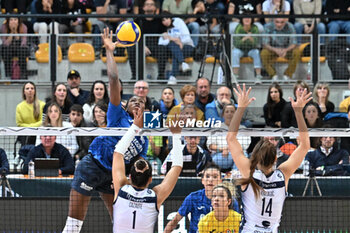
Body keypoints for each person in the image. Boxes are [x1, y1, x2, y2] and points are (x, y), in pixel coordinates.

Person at [62, 28, 149, 233]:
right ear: (126, 106)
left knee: (120, 222)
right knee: (74, 225)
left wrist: (129, 182)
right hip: (93, 165)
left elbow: (136, 165)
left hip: (114, 176)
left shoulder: (143, 139)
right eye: (133, 100)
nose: (137, 102)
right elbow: (112, 81)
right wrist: (110, 51)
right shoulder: (117, 115)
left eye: (141, 101)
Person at [226, 84, 312, 232]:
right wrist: (298, 111)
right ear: (275, 160)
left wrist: (240, 107)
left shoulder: (249, 173)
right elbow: (305, 146)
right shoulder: (282, 175)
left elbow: (230, 138)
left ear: (255, 157)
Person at [112, 107, 183, 233]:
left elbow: (117, 154)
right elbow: (176, 168)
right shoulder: (154, 197)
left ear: (129, 177)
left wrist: (135, 127)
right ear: (150, 179)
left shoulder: (122, 190)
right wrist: (176, 136)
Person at [164, 164, 240, 233]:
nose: (210, 180)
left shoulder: (229, 200)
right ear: (202, 180)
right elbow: (175, 220)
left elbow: (237, 224)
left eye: (215, 177)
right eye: (207, 176)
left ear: (220, 181)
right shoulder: (193, 198)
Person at [127, 0, 167, 80]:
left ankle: (161, 76)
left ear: (155, 7)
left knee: (163, 49)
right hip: (141, 45)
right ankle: (135, 75)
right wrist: (142, 46)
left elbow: (164, 33)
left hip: (155, 46)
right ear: (144, 7)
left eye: (152, 4)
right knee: (131, 48)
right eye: (147, 4)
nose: (149, 6)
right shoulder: (138, 20)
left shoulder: (159, 20)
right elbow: (133, 36)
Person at [207, 103, 251, 172]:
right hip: (220, 155)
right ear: (223, 115)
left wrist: (228, 149)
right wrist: (222, 149)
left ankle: (234, 177)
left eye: (232, 112)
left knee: (241, 156)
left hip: (238, 155)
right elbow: (210, 145)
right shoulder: (216, 127)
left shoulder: (243, 128)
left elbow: (245, 146)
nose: (229, 114)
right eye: (227, 112)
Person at [159, 14, 194, 85]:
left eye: (166, 18)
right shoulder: (163, 30)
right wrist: (174, 40)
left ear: (170, 18)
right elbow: (161, 43)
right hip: (174, 49)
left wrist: (180, 42)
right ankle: (183, 63)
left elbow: (187, 37)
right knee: (173, 46)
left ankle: (173, 77)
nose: (165, 21)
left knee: (176, 53)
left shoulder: (178, 21)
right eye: (163, 20)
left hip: (186, 46)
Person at [232, 14, 263, 84]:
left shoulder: (254, 28)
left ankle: (258, 76)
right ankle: (235, 76)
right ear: (242, 20)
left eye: (249, 18)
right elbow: (236, 43)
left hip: (251, 49)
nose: (247, 19)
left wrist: (251, 39)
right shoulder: (238, 27)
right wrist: (245, 38)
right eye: (245, 18)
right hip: (240, 49)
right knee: (235, 53)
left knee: (256, 52)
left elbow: (255, 43)